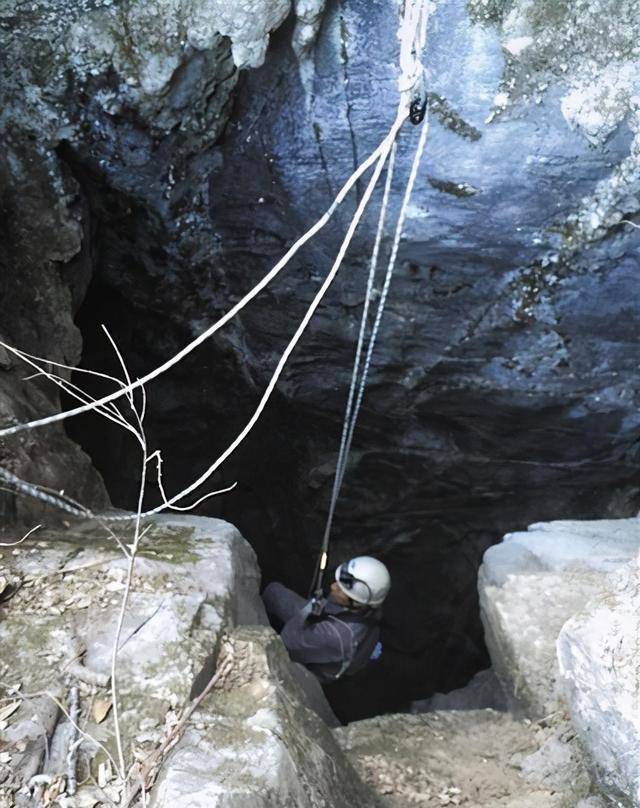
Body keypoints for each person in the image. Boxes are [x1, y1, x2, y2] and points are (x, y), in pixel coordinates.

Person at [262, 556, 391, 684]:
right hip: (330, 625)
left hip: (314, 663)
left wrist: (309, 611)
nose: (333, 586)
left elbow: (289, 643)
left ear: (356, 602)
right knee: (275, 593)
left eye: (341, 590)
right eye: (338, 582)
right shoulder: (370, 605)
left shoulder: (335, 635)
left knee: (273, 594)